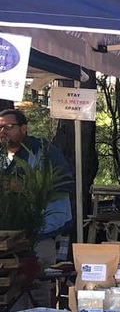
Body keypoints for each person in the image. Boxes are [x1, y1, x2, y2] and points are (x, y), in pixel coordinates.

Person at [0, 109, 74, 266]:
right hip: (7, 235)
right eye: (0, 127)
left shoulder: (42, 151)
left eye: (8, 126)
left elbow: (63, 184)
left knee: (39, 278)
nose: (2, 131)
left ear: (23, 128)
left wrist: (25, 188)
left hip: (41, 230)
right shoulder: (2, 156)